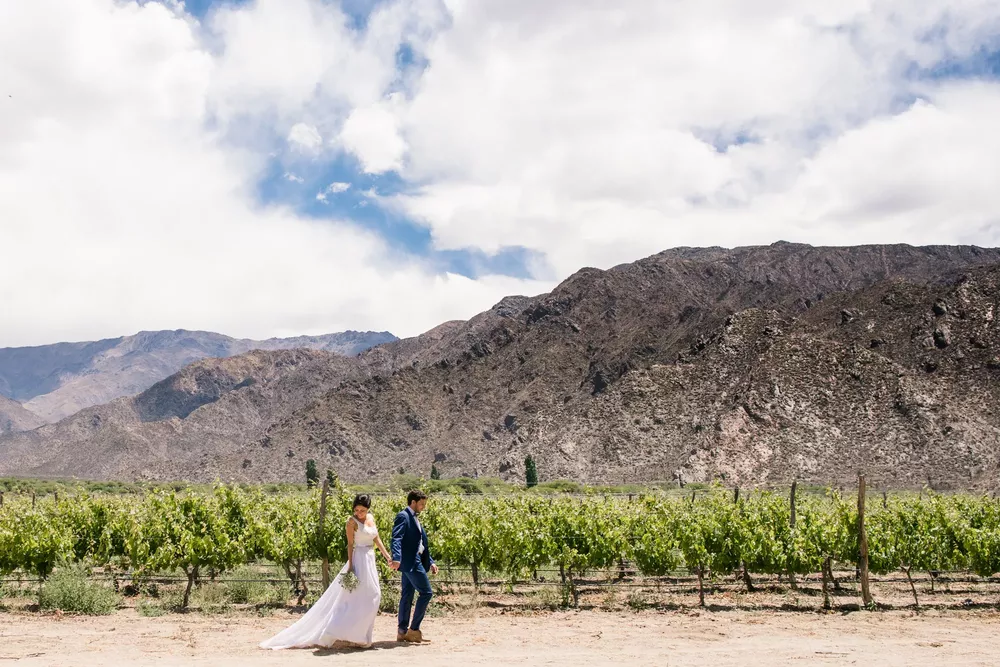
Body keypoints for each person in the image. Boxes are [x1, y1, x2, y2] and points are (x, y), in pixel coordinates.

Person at [259, 494, 393, 650]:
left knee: (373, 596)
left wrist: (387, 556)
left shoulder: (370, 517)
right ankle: (341, 633)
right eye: (356, 510)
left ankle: (360, 635)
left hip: (370, 559)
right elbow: (350, 545)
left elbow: (376, 538)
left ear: (368, 509)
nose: (359, 513)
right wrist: (350, 566)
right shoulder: (351, 522)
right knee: (356, 598)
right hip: (359, 559)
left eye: (362, 510)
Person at [390, 489, 438, 643]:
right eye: (422, 504)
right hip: (411, 562)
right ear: (413, 502)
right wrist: (396, 558)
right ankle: (414, 630)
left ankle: (402, 632)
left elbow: (419, 543)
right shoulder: (403, 516)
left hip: (412, 561)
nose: (423, 507)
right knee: (426, 593)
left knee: (407, 595)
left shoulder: (414, 518)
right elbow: (396, 538)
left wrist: (430, 561)